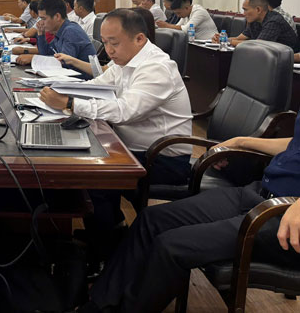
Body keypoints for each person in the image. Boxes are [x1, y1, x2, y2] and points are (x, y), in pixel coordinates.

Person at [79, 114, 300, 313]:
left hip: (285, 217)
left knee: (171, 247)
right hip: (259, 195)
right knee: (151, 219)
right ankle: (98, 305)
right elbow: (295, 144)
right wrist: (240, 141)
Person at [40, 9, 192, 251]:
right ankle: (111, 230)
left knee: (93, 174)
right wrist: (59, 90)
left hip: (162, 159)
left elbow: (125, 111)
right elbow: (96, 86)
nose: (108, 50)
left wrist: (69, 103)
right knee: (83, 158)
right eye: (105, 42)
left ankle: (105, 248)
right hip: (131, 147)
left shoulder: (156, 68)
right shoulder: (125, 59)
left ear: (139, 39)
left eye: (114, 43)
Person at [14, 0, 96, 76]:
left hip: (82, 80)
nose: (41, 23)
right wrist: (41, 34)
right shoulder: (60, 30)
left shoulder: (71, 31)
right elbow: (46, 52)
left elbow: (65, 63)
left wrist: (33, 58)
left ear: (57, 16)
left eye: (43, 19)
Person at [212, 0, 299, 52]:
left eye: (245, 10)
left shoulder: (274, 21)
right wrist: (222, 38)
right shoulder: (255, 20)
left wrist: (226, 41)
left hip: (288, 63)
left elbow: (257, 46)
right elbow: (239, 38)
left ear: (258, 10)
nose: (243, 14)